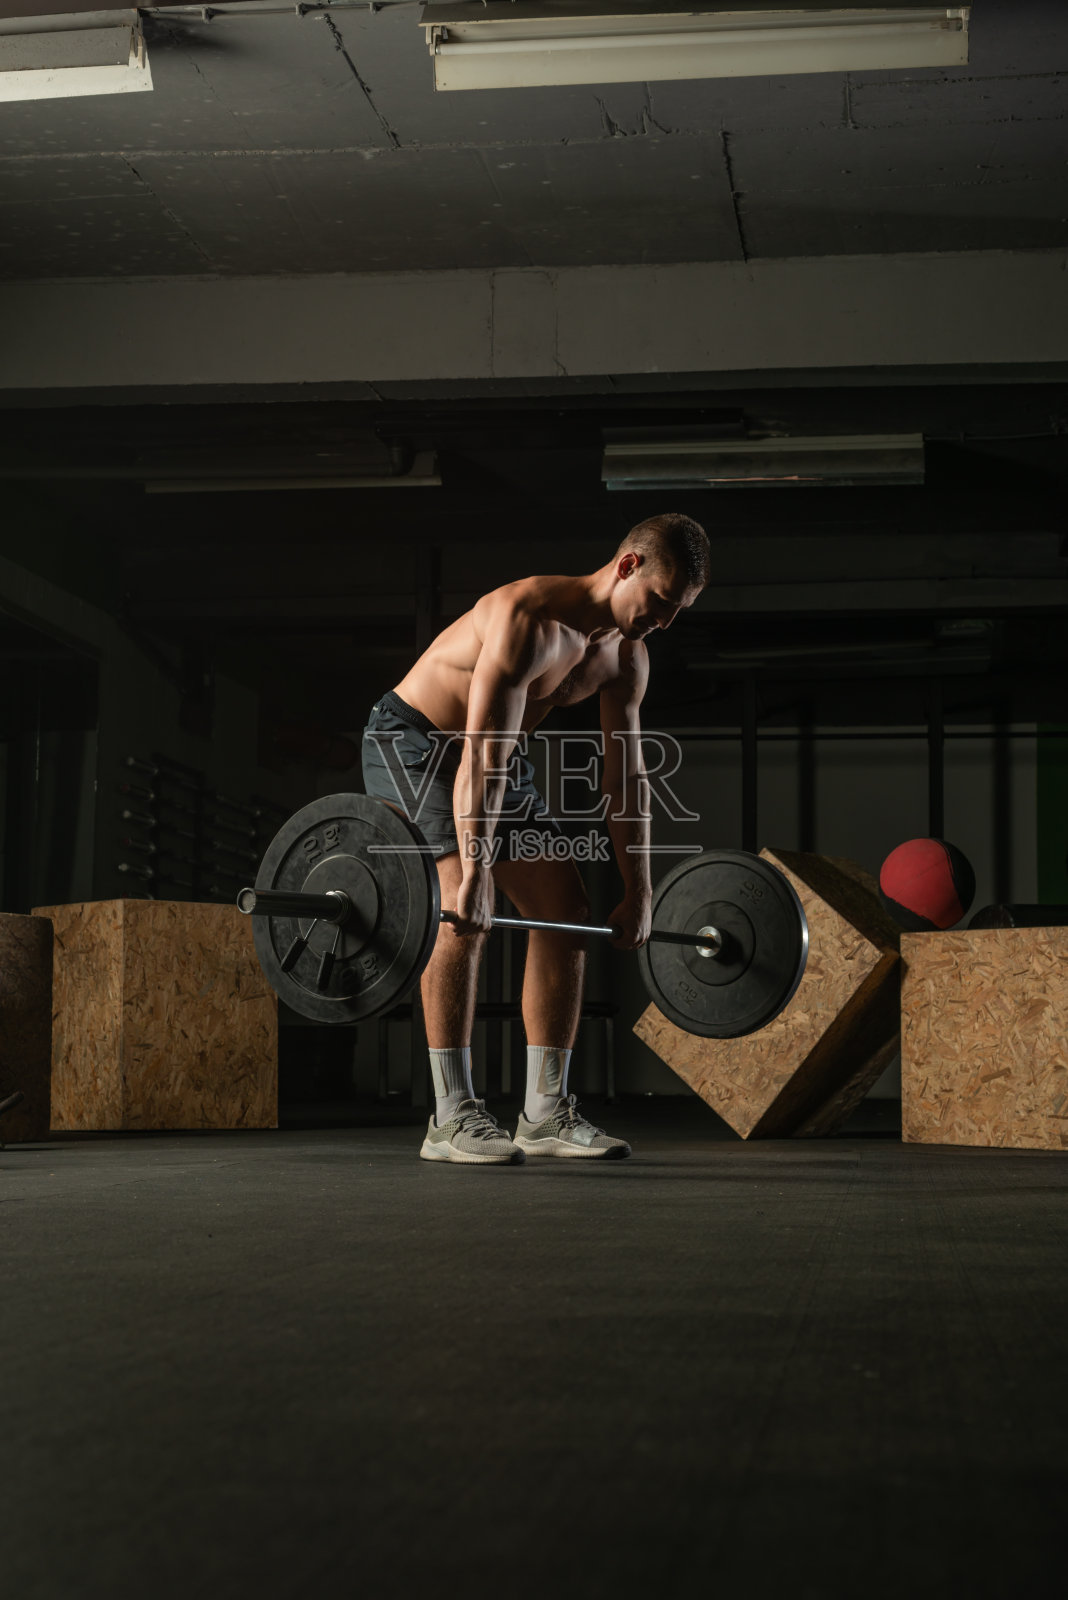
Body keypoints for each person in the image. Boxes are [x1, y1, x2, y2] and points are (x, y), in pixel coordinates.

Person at [361, 512, 710, 1165]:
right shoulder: (526, 617)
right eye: (660, 603)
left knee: (566, 911)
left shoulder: (626, 656)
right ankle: (450, 1115)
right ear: (628, 566)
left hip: (492, 756)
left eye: (678, 612)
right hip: (415, 741)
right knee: (462, 914)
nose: (663, 622)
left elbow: (626, 777)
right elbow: (480, 759)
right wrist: (471, 870)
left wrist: (640, 889)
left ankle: (544, 1113)